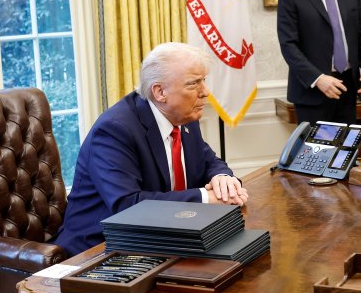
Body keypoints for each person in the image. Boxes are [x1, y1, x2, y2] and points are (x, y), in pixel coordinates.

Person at [54, 43, 249, 256]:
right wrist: (206, 198)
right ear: (160, 92)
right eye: (193, 84)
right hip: (99, 248)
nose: (206, 93)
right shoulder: (115, 130)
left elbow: (207, 159)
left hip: (159, 239)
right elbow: (128, 205)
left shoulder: (184, 116)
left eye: (204, 81)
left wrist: (223, 178)